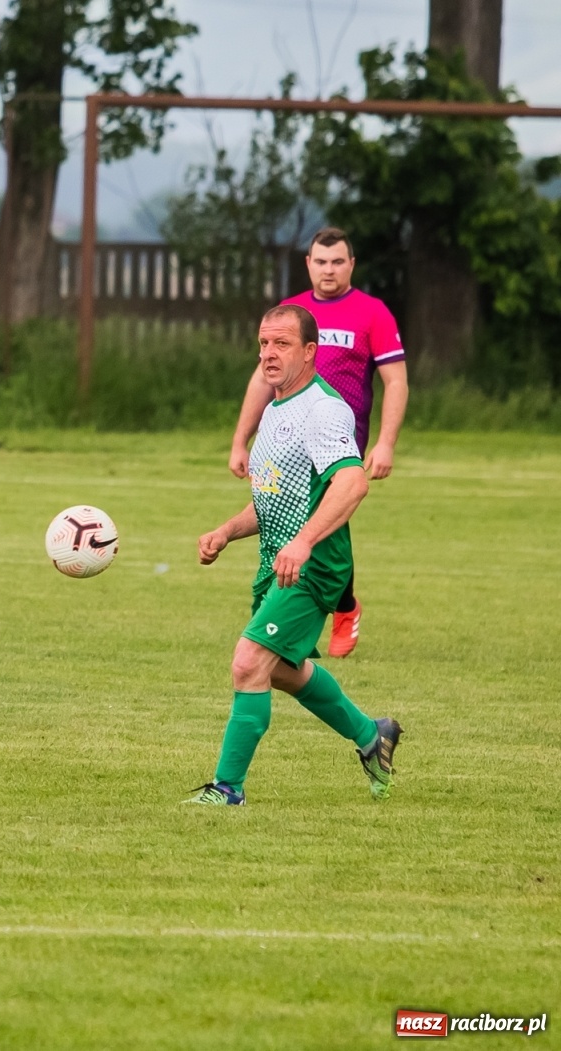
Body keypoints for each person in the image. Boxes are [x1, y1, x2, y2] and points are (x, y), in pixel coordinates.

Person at [187, 304, 401, 806]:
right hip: (276, 563)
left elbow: (351, 484)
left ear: (310, 352)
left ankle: (227, 789)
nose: (268, 353)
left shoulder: (324, 409)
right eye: (263, 343)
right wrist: (226, 530)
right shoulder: (277, 408)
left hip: (312, 566)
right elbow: (274, 497)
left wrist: (303, 543)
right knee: (279, 670)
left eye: (281, 344)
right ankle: (374, 735)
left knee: (247, 664)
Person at [228, 227, 408, 657]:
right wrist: (240, 439)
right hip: (288, 435)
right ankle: (333, 607)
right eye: (321, 261)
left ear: (351, 265)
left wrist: (385, 443)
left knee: (326, 516)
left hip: (339, 436)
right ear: (308, 264)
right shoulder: (291, 312)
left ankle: (336, 608)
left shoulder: (372, 312)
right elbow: (262, 376)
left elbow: (395, 379)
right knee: (307, 516)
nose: (329, 269)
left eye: (338, 261)